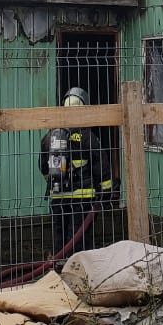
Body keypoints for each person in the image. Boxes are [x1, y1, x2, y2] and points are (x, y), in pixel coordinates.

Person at [39, 87, 114, 258]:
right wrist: (106, 192)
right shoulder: (87, 136)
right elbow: (101, 166)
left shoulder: (50, 136)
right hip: (82, 198)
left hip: (57, 197)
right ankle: (78, 269)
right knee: (78, 237)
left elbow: (43, 167)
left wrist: (54, 182)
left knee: (60, 234)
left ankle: (59, 266)